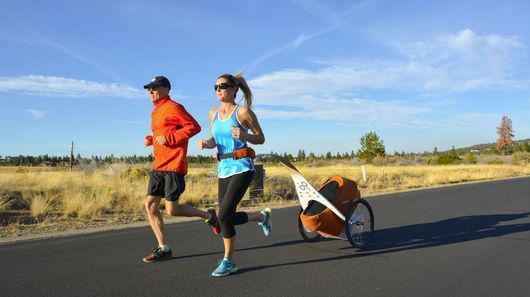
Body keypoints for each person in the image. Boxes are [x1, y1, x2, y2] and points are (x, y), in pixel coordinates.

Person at [142, 75, 221, 263]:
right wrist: (152, 139)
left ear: (166, 89)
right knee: (150, 205)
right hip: (159, 166)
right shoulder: (155, 112)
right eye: (148, 89)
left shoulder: (174, 107)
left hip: (173, 165)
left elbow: (194, 127)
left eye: (154, 88)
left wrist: (170, 139)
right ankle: (164, 248)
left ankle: (207, 215)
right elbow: (163, 133)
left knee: (172, 210)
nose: (150, 91)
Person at [199, 72, 271, 277]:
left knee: (222, 216)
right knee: (226, 217)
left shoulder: (243, 112)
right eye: (215, 87)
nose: (218, 90)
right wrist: (207, 143)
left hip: (243, 167)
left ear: (233, 89)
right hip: (224, 168)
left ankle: (229, 260)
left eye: (222, 86)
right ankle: (261, 216)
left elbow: (261, 138)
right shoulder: (213, 113)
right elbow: (214, 140)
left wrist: (244, 134)